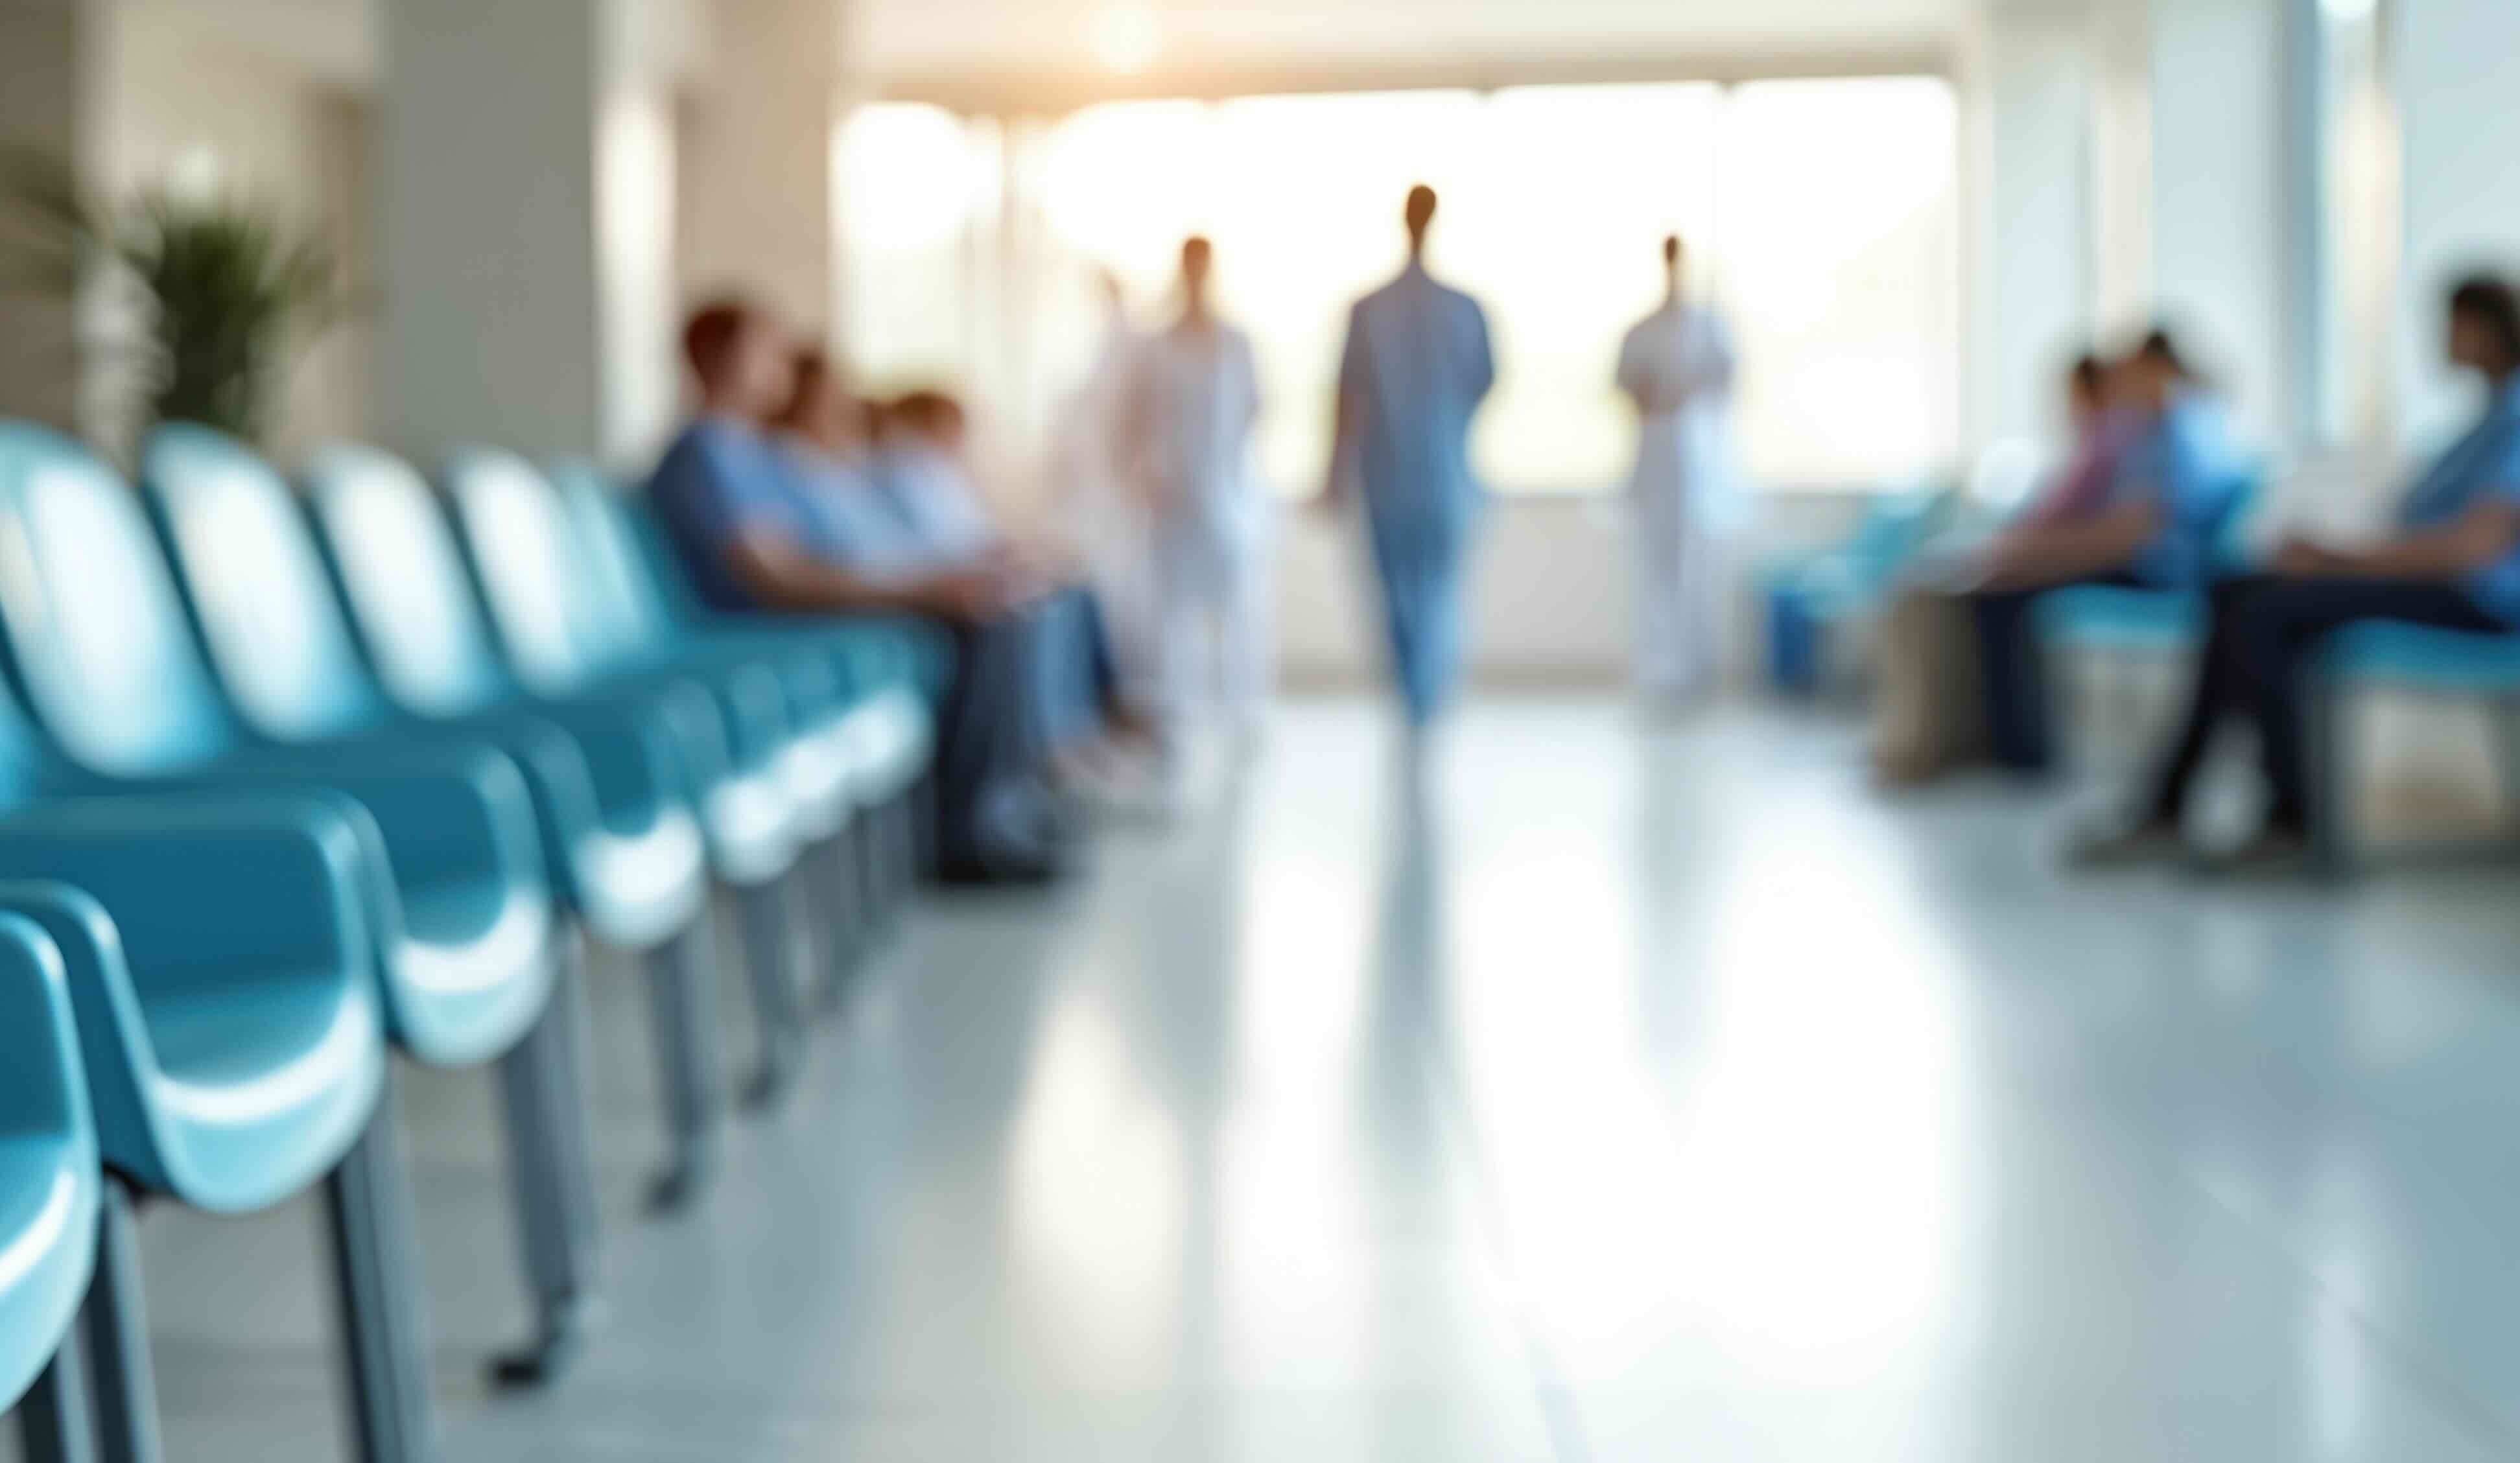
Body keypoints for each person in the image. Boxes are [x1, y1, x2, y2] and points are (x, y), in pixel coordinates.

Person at [647, 301, 1127, 884]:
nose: (780, 367)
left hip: (800, 611)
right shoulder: (705, 453)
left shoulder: (750, 452)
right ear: (717, 358)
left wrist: (931, 581)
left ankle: (1010, 806)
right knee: (986, 617)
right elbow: (780, 579)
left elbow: (817, 556)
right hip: (762, 623)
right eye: (765, 351)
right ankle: (972, 832)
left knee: (999, 604)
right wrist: (922, 589)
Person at [2073, 275, 2520, 874]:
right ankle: (2179, 807)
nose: (2439, 338)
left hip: (2480, 602)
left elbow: (2471, 548)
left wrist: (2340, 560)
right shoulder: (2486, 417)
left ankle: (2278, 820)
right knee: (2238, 590)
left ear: (2487, 329)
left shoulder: (2513, 416)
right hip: (2437, 584)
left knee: (2263, 608)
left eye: (2451, 323)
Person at [1957, 329, 2242, 777]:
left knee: (2001, 594)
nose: (2119, 385)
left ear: (2158, 370)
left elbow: (2129, 535)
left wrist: (2034, 556)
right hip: (2141, 559)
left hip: (2156, 571)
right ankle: (2005, 747)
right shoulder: (2178, 425)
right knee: (2001, 584)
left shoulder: (2172, 430)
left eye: (2129, 373)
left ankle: (2016, 757)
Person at [1872, 353, 2126, 783]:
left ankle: (1959, 746)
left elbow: (2079, 525)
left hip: (2065, 559)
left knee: (1965, 596)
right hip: (2038, 551)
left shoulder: (2111, 446)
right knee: (1940, 592)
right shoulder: (2093, 446)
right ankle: (1953, 740)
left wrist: (2011, 551)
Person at [1325, 184, 1496, 737]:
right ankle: (1422, 691)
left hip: (1396, 477)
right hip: (1437, 474)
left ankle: (1416, 691)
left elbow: (1347, 402)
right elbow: (1482, 387)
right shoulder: (1462, 310)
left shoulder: (1373, 310)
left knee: (1406, 591)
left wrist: (1334, 476)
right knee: (1429, 592)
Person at [1120, 235, 1269, 751]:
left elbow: (1254, 409)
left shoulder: (1235, 341)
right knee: (1173, 610)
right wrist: (1141, 473)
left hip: (1225, 492)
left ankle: (1240, 707)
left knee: (1235, 605)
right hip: (1169, 493)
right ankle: (1177, 710)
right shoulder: (1155, 344)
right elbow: (1132, 417)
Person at [1617, 233, 1740, 710]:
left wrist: (1683, 394)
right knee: (1655, 571)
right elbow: (1628, 388)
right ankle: (1659, 673)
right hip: (1655, 465)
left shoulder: (1708, 327)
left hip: (1698, 469)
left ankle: (1697, 674)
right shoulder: (1642, 330)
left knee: (1698, 572)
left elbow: (1723, 384)